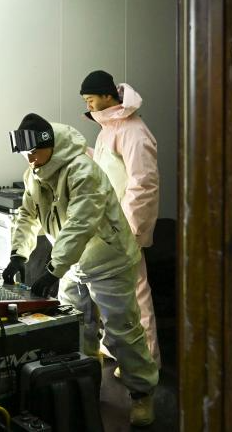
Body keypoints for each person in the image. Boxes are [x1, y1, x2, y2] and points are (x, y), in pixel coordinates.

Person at [2, 113, 158, 426]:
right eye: (25, 153)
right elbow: (27, 214)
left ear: (49, 145)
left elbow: (80, 223)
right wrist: (18, 254)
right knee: (74, 328)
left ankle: (142, 393)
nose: (29, 159)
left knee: (122, 333)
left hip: (109, 260)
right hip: (74, 262)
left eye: (34, 151)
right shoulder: (35, 173)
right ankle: (85, 384)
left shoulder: (82, 171)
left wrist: (54, 268)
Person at [80, 70, 161, 368]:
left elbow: (144, 184)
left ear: (107, 95)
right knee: (113, 295)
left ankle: (146, 361)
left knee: (135, 295)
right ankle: (119, 351)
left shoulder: (133, 131)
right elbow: (108, 171)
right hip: (110, 227)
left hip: (124, 228)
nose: (88, 105)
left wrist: (131, 230)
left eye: (90, 99)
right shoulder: (109, 129)